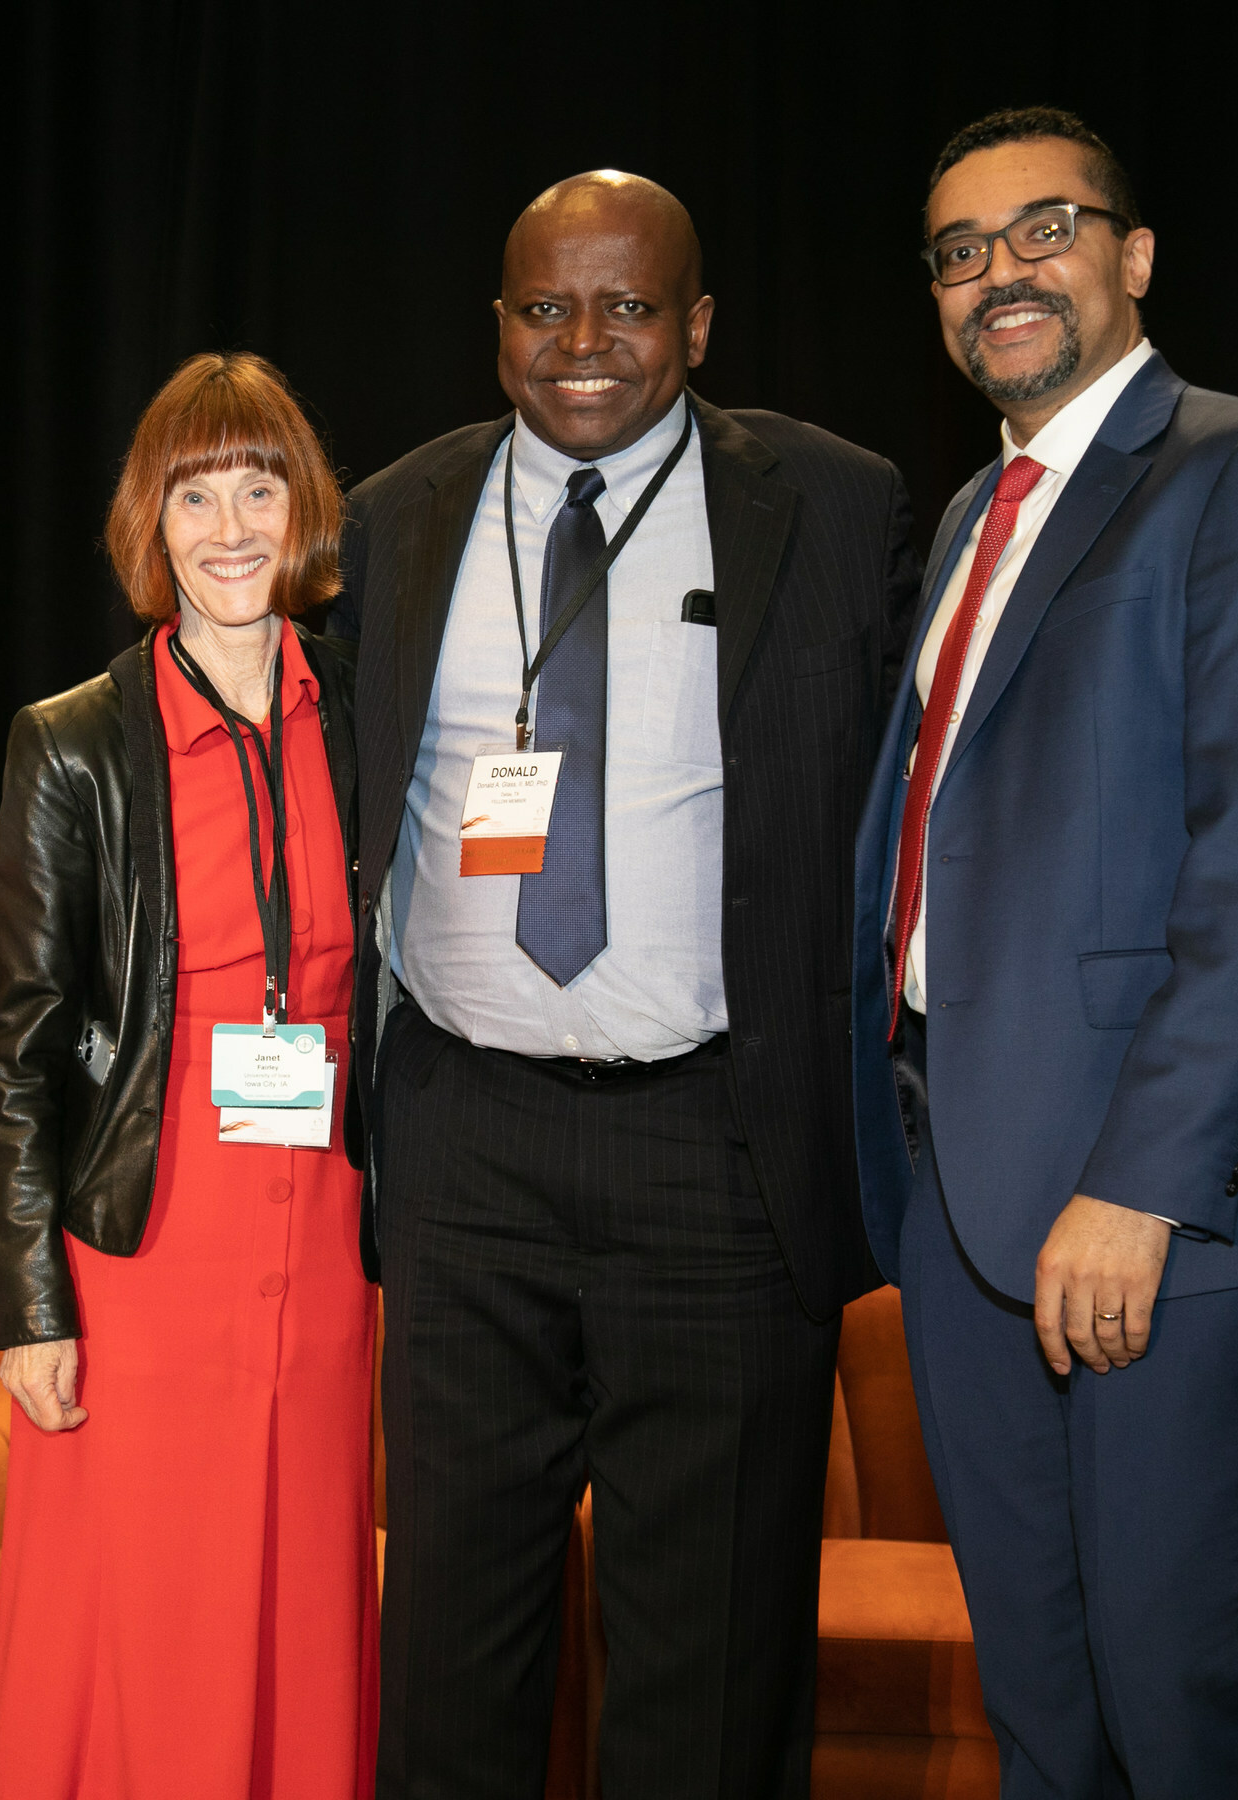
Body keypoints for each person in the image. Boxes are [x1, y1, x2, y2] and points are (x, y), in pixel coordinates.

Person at [328, 173, 921, 1796]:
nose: (583, 343)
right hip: (464, 1149)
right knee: (450, 1647)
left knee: (710, 1675)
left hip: (717, 1155)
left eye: (627, 307)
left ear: (699, 324)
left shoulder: (837, 502)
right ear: (498, 327)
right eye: (544, 308)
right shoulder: (396, 516)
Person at [852, 108, 1238, 1798]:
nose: (998, 271)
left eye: (1043, 228)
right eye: (957, 251)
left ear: (1135, 258)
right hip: (963, 1201)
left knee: (1178, 1716)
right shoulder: (966, 521)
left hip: (1153, 1206)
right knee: (1044, 1715)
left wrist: (1142, 1185)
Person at [0, 352, 377, 1797]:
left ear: (303, 508)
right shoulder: (72, 742)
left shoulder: (370, 717)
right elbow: (18, 1044)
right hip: (145, 1229)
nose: (227, 527)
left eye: (257, 487)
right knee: (145, 1606)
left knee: (309, 1587)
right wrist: (29, 1303)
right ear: (151, 520)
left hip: (333, 1227)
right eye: (193, 493)